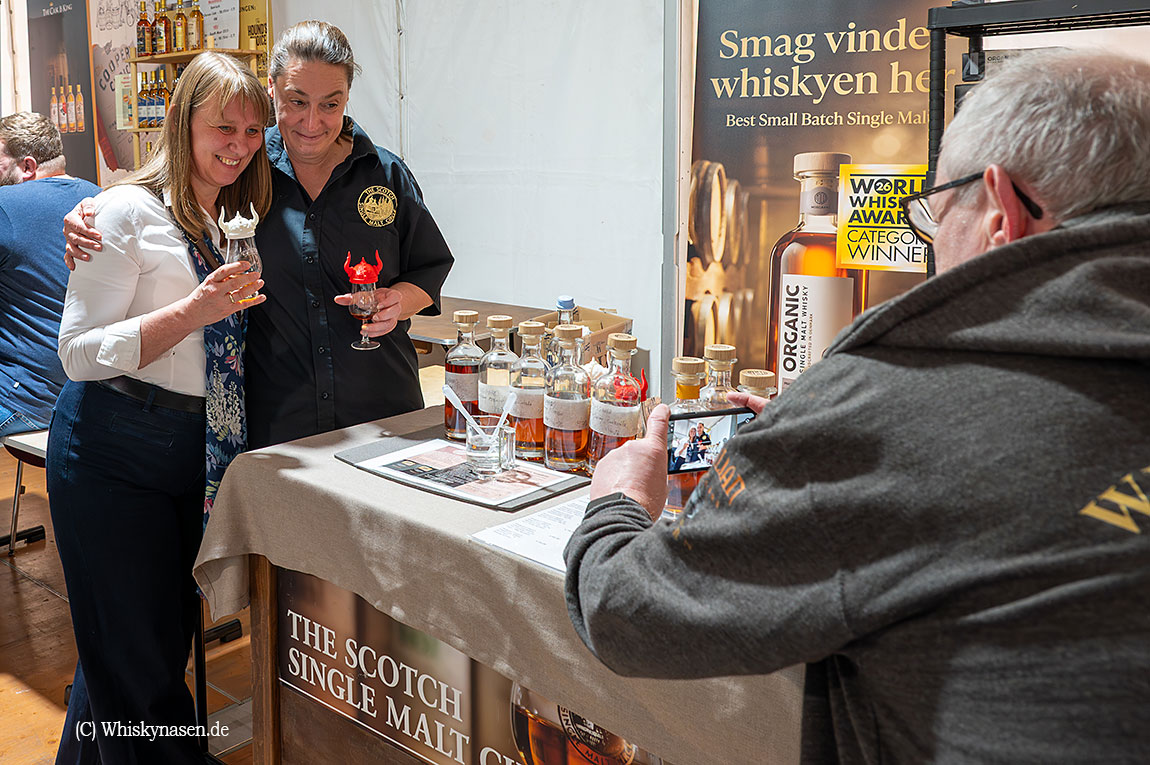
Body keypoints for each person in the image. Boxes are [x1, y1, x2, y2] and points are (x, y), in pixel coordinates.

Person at [564, 48, 1150, 763]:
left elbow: (629, 613)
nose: (931, 247)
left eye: (935, 215)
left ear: (1001, 209)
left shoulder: (890, 404)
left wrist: (618, 501)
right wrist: (816, 438)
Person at [65, 21, 455, 448]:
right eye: (296, 101)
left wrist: (399, 301)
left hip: (384, 409)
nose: (312, 121)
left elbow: (428, 269)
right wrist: (91, 210)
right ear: (272, 90)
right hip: (280, 426)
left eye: (330, 104)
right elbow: (168, 194)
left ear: (347, 97)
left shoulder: (384, 173)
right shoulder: (243, 168)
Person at [47, 51, 269, 764]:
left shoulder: (227, 216)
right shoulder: (122, 212)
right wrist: (193, 311)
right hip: (112, 450)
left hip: (191, 452)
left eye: (252, 130)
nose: (239, 145)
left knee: (137, 649)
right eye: (223, 128)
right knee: (141, 672)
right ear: (181, 121)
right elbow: (77, 352)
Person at [0, 112, 99, 437]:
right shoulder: (101, 197)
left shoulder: (5, 205)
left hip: (23, 399)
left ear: (27, 166)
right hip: (89, 401)